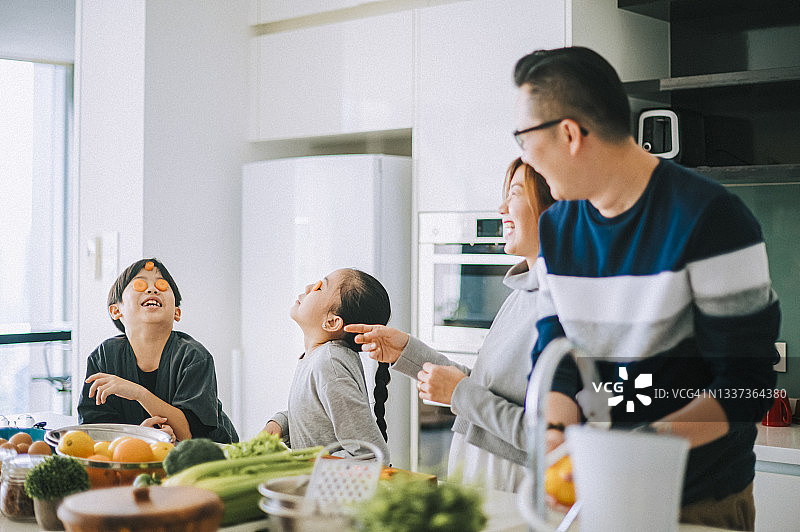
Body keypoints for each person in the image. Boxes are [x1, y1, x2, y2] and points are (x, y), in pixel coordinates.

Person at [514, 47, 780, 530]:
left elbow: (748, 384)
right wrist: (556, 431)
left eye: (524, 136)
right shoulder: (557, 228)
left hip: (696, 500)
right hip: (593, 490)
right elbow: (556, 347)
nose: (523, 154)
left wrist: (629, 448)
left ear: (570, 134)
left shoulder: (710, 218)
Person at [344, 158, 555, 492]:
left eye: (515, 193)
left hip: (517, 488)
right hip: (480, 476)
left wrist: (459, 393)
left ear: (556, 203)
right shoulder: (523, 292)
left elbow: (553, 438)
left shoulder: (564, 304)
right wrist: (408, 353)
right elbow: (485, 391)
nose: (501, 207)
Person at [78, 258, 238, 444]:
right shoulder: (104, 357)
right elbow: (94, 429)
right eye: (140, 284)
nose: (152, 289)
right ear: (116, 311)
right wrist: (138, 436)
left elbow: (188, 434)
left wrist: (139, 393)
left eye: (162, 285)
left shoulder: (194, 356)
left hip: (209, 455)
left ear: (177, 312)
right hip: (135, 456)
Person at [263, 268, 392, 463]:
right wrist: (281, 423)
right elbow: (318, 414)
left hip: (331, 491)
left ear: (331, 322)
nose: (309, 287)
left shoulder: (329, 364)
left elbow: (370, 456)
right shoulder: (320, 359)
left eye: (320, 287)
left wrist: (311, 466)